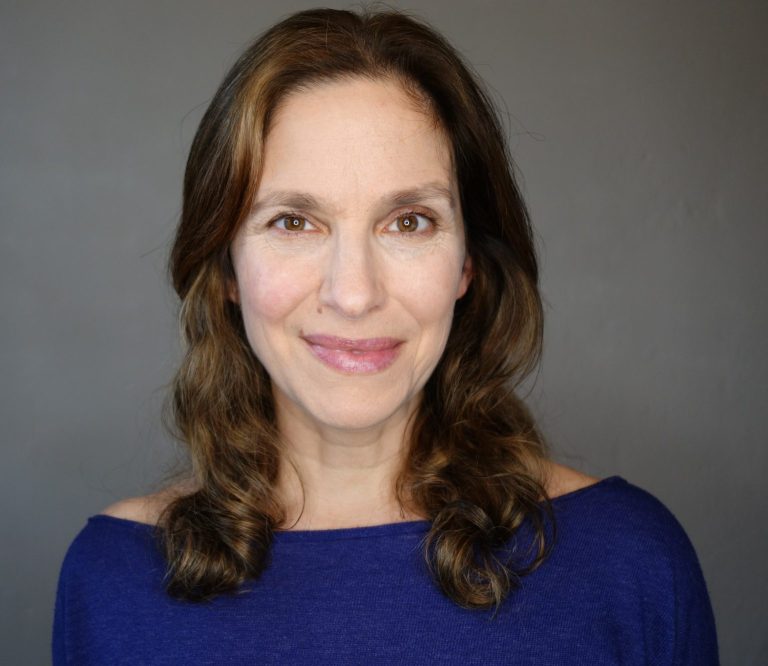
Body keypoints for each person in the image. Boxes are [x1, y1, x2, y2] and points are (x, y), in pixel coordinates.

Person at [52, 7, 718, 664]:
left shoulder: (628, 560)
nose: (354, 294)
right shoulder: (113, 580)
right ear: (226, 265)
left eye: (409, 222)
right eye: (293, 222)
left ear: (468, 262)